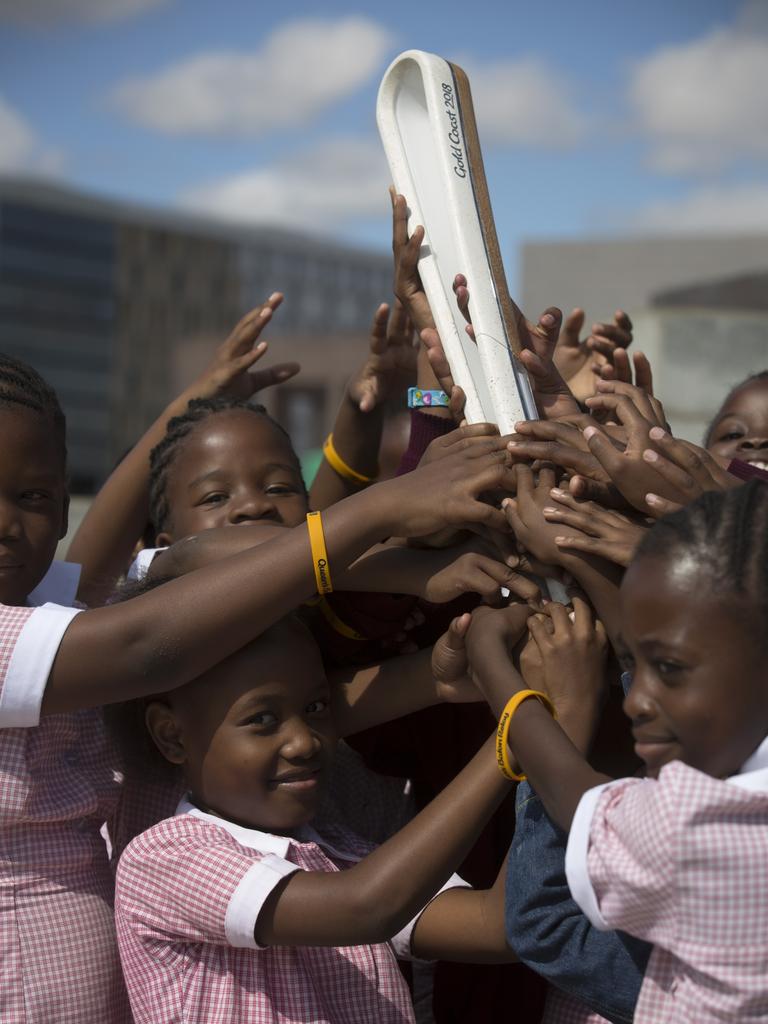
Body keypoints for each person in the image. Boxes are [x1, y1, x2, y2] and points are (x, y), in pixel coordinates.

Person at [0, 350, 517, 1023]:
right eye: (214, 498)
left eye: (34, 496)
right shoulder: (132, 645)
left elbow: (323, 690)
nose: (6, 521)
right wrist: (396, 532)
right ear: (168, 732)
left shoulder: (317, 834)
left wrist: (429, 645)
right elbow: (149, 638)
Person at [114, 610, 523, 1024]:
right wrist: (513, 735)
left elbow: (499, 925)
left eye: (316, 707)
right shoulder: (165, 857)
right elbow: (365, 908)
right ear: (171, 735)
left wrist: (561, 713)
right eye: (263, 720)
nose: (304, 742)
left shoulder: (342, 855)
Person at [466, 481, 768, 1022]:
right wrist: (583, 560)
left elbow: (573, 820)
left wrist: (501, 674)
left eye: (668, 671)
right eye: (635, 666)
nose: (637, 701)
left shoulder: (709, 832)